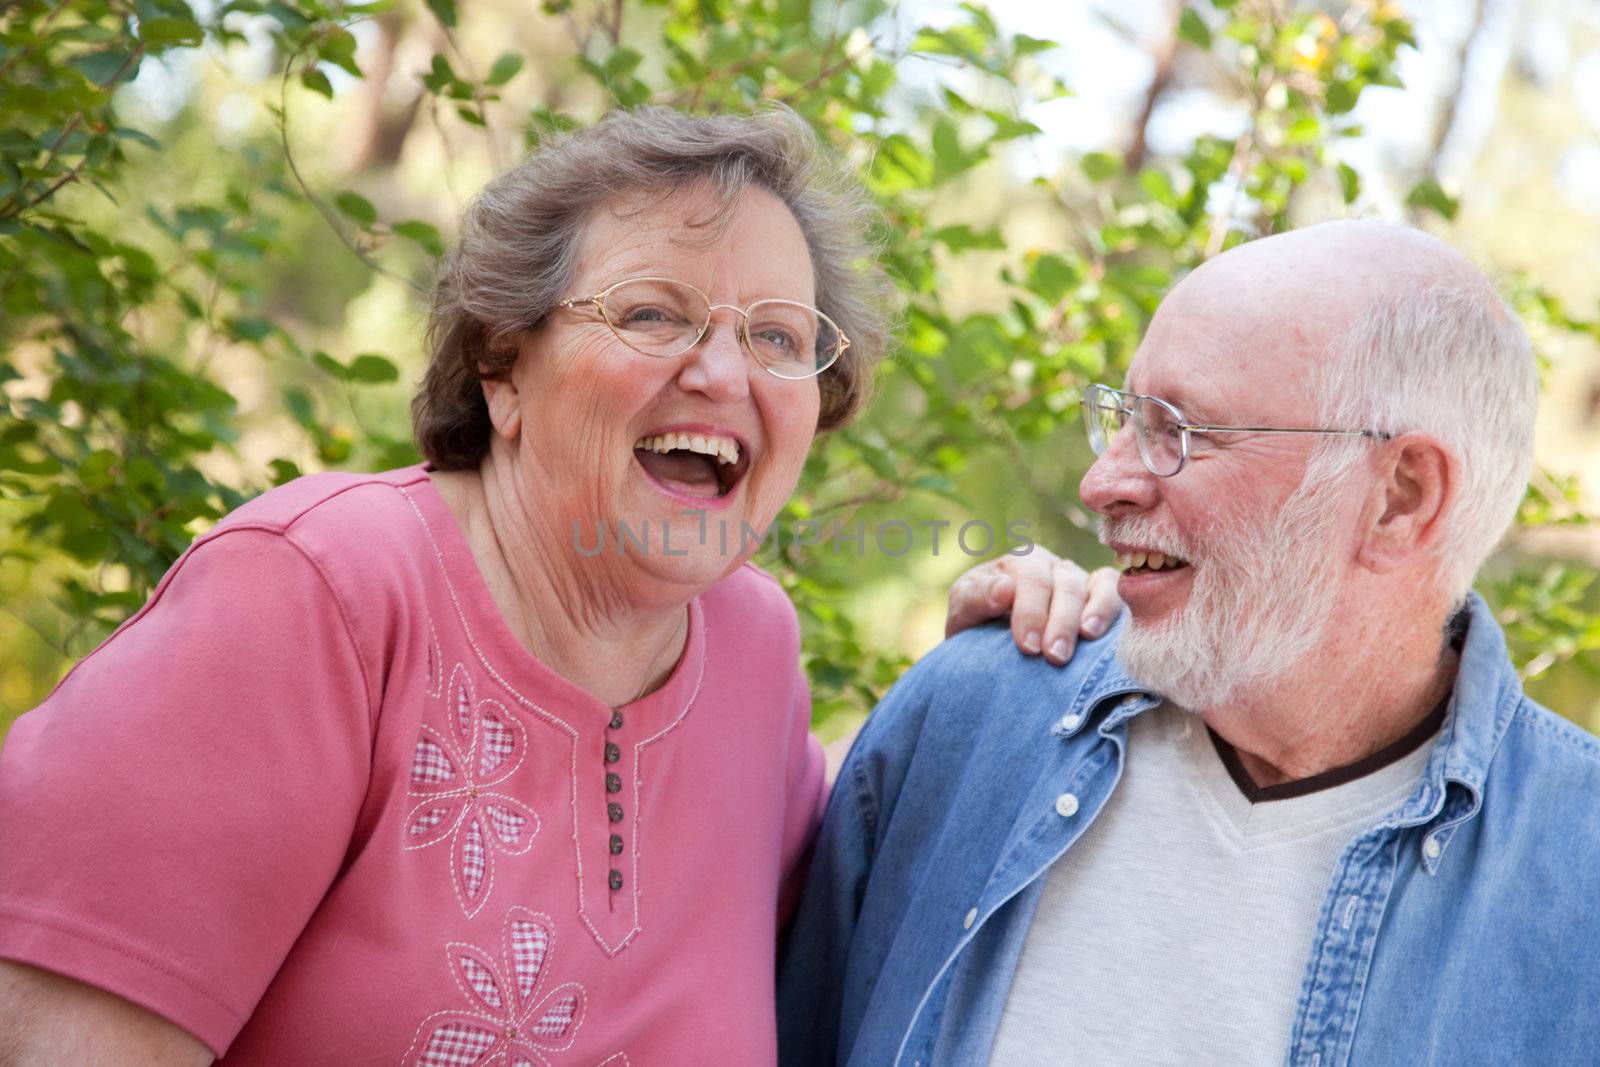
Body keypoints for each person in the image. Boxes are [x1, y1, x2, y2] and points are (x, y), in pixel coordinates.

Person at [0, 107, 1117, 1065]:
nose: (722, 372)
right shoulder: (313, 593)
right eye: (651, 313)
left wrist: (992, 668)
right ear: (501, 369)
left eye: (778, 337)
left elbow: (862, 949)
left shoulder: (753, 649)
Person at [777, 220, 1600, 1066]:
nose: (1103, 484)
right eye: (1126, 417)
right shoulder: (971, 717)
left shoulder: (1580, 871)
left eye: (1181, 429)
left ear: (1401, 496)